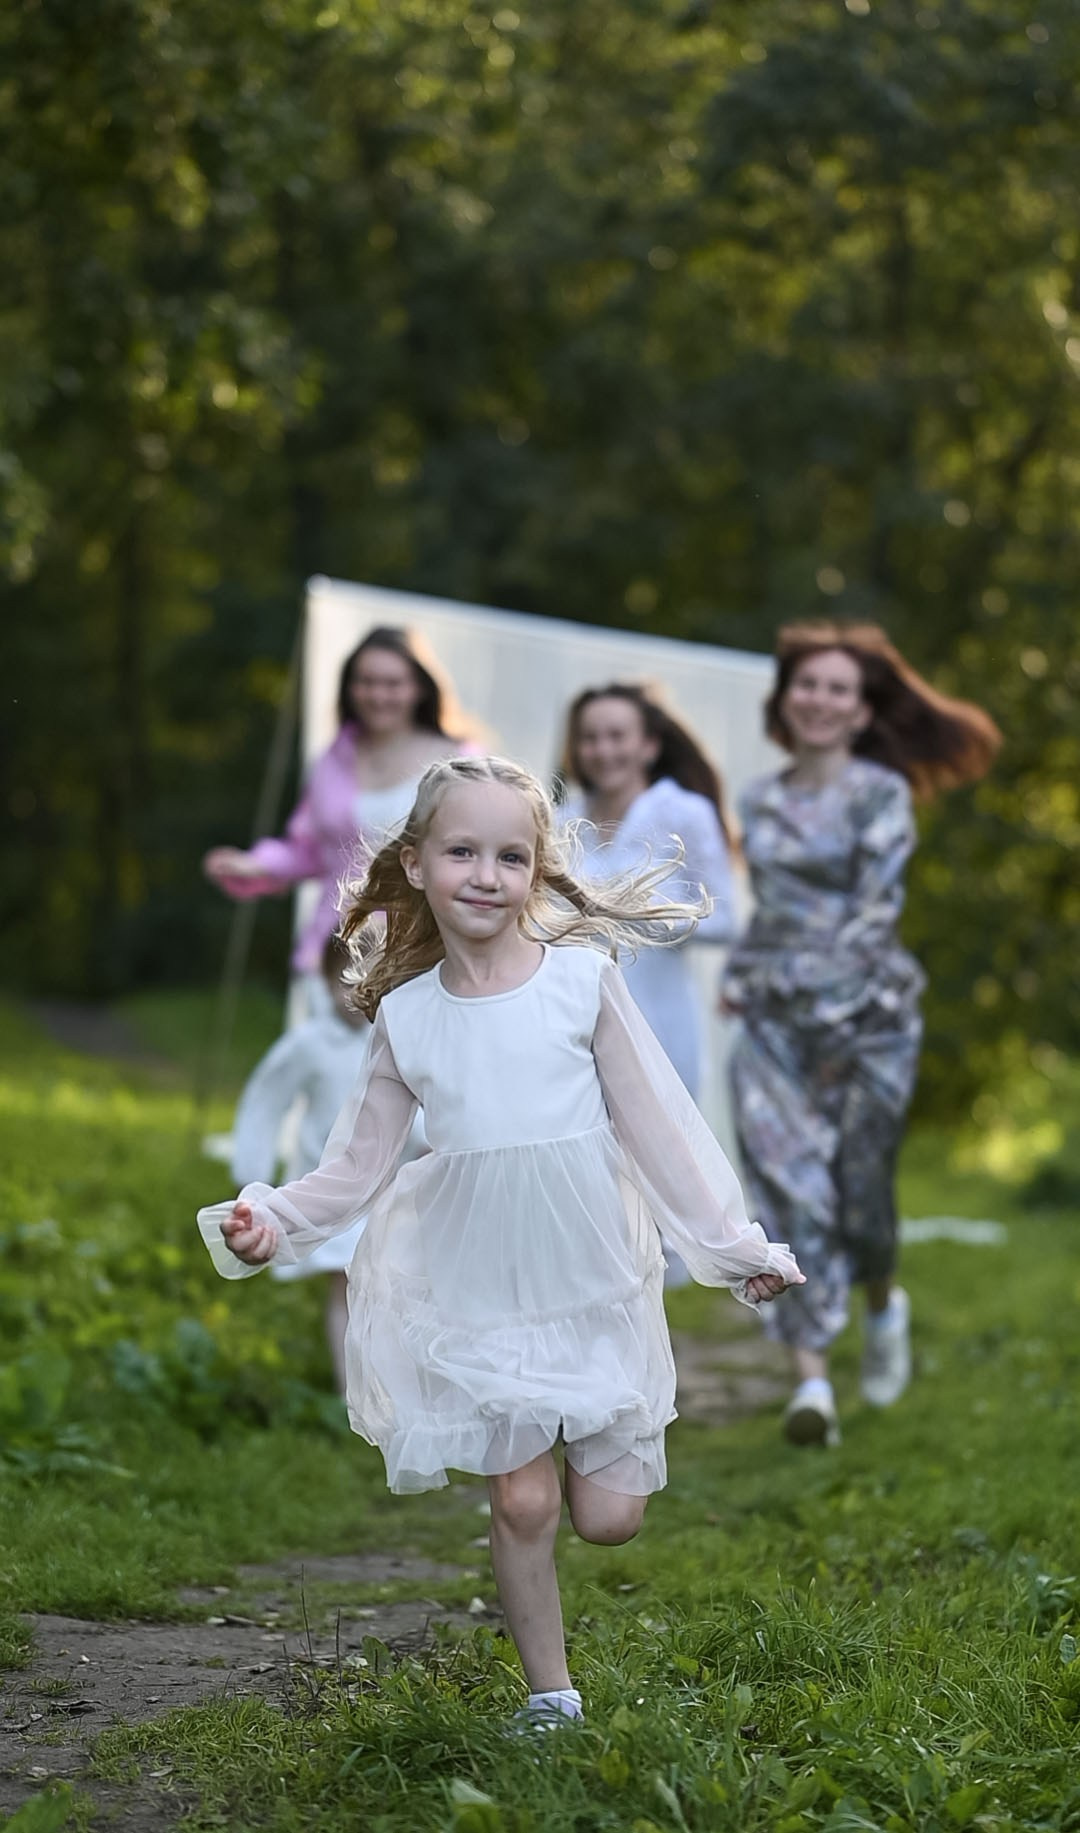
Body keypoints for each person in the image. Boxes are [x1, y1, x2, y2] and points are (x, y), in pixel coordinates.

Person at [197, 756, 803, 1729]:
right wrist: (271, 1218)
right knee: (522, 1504)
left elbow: (658, 1133)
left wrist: (733, 1249)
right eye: (463, 852)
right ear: (420, 864)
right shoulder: (407, 1017)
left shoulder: (580, 982)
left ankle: (573, 1430)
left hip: (587, 1272)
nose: (486, 874)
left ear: (536, 871)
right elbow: (354, 1167)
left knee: (607, 1520)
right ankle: (551, 1695)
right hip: (473, 1280)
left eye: (510, 855)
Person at [721, 622, 1000, 1449]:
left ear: (860, 708)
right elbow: (769, 912)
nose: (820, 699)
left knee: (863, 1200)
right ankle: (812, 1385)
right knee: (787, 1192)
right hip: (774, 1024)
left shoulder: (881, 794)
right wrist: (746, 973)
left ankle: (883, 1304)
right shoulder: (758, 798)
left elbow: (874, 912)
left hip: (869, 1018)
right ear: (786, 699)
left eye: (838, 687)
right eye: (807, 683)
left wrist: (815, 991)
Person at [202, 625, 477, 993]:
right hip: (333, 959)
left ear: (420, 687)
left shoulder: (456, 761)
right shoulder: (332, 762)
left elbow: (475, 852)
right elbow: (312, 851)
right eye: (365, 681)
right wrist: (255, 864)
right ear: (349, 687)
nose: (378, 694)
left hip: (423, 959)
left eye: (392, 683)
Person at [558, 682, 737, 1096]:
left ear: (649, 746)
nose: (603, 750)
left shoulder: (684, 813)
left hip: (658, 1017)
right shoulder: (558, 820)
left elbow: (724, 918)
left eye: (617, 736)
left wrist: (647, 915)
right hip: (571, 1016)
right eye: (590, 738)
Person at [229, 934, 387, 1396]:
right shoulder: (311, 1043)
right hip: (331, 1185)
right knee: (345, 1284)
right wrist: (251, 1172)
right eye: (344, 981)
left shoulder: (393, 1036)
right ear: (323, 981)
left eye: (370, 978)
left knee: (384, 1283)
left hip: (388, 1184)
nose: (356, 993)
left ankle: (385, 1383)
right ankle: (350, 1391)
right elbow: (265, 1098)